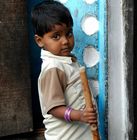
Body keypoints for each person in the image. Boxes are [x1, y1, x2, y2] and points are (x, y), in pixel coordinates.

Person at [31, 0, 98, 139]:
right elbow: (54, 108)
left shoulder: (66, 61)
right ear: (39, 41)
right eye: (56, 36)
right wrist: (80, 115)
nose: (65, 41)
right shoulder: (53, 68)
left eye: (68, 33)